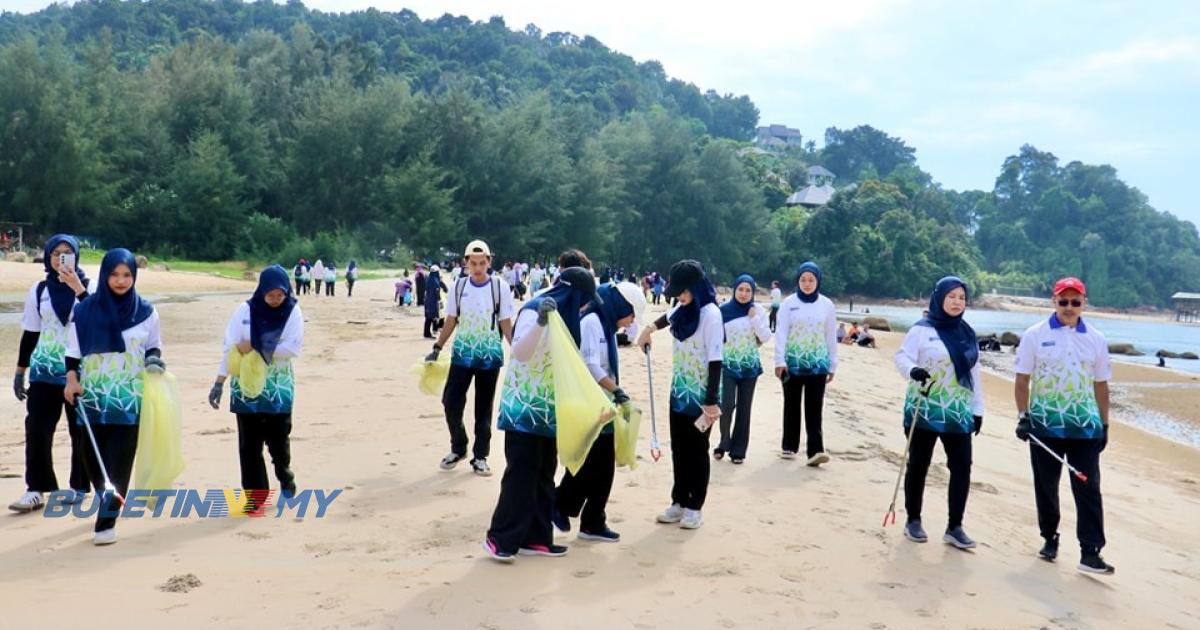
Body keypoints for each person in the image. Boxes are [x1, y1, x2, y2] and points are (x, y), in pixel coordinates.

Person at [483, 267, 602, 562]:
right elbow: (520, 353)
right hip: (524, 408)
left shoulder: (566, 320)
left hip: (548, 412)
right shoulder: (536, 309)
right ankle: (500, 538)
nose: (585, 308)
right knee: (520, 475)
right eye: (584, 301)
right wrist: (539, 322)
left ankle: (536, 538)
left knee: (544, 474)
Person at [1014, 277, 1114, 575]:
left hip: (1085, 427)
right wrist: (1023, 417)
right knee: (1046, 485)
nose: (1069, 307)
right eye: (1063, 301)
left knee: (1088, 487)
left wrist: (1105, 424)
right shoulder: (1035, 335)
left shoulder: (1096, 338)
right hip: (1045, 425)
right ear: (1053, 302)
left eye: (1075, 302)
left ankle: (1090, 551)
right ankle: (1050, 537)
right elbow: (1022, 379)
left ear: (1084, 303)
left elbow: (1101, 384)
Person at [63, 248, 163, 545]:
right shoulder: (83, 310)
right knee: (92, 459)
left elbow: (153, 347)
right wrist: (71, 380)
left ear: (135, 276)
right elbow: (72, 352)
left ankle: (106, 523)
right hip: (92, 396)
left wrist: (154, 361)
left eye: (127, 275)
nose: (121, 281)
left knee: (119, 461)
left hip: (129, 397)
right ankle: (104, 495)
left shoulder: (147, 312)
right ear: (105, 275)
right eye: (115, 275)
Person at [894, 276, 983, 549]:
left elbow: (974, 374)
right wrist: (913, 370)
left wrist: (977, 410)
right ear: (939, 298)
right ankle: (913, 519)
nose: (957, 302)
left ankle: (955, 526)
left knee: (961, 468)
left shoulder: (967, 334)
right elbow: (901, 357)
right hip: (924, 408)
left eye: (961, 298)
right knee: (918, 464)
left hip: (957, 411)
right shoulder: (921, 330)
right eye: (951, 296)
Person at [553, 281, 646, 542]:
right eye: (630, 316)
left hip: (604, 404)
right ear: (620, 306)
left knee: (601, 465)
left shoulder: (605, 324)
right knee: (595, 462)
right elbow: (590, 364)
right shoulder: (592, 322)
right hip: (591, 404)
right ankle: (563, 505)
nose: (629, 323)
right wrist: (617, 390)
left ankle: (589, 519)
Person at [637, 260, 724, 530]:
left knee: (697, 450)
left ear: (696, 287)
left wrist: (710, 401)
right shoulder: (681, 308)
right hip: (679, 392)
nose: (679, 296)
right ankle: (678, 501)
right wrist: (648, 329)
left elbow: (715, 361)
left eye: (683, 291)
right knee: (679, 448)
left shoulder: (710, 314)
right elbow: (668, 317)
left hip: (702, 396)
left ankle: (694, 506)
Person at [10, 235, 93, 513]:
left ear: (76, 256)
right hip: (44, 370)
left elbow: (98, 323)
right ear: (47, 257)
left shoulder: (90, 288)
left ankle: (79, 487)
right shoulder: (39, 290)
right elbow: (31, 332)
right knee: (37, 429)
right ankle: (36, 489)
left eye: (67, 253)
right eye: (56, 253)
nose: (61, 258)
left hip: (78, 372)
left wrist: (77, 288)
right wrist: (20, 371)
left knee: (78, 430)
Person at [208, 265, 304, 505]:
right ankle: (256, 496)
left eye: (279, 295)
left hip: (277, 388)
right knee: (249, 446)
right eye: (270, 295)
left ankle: (284, 473)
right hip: (245, 387)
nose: (275, 300)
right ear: (261, 291)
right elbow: (230, 349)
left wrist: (255, 344)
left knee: (278, 441)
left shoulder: (292, 312)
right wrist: (219, 383)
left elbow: (292, 348)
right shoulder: (244, 311)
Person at [425, 241, 514, 476]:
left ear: (489, 262)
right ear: (466, 262)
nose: (477, 267)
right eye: (473, 263)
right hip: (462, 354)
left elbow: (505, 322)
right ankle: (459, 446)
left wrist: (517, 350)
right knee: (450, 402)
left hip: (490, 356)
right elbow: (451, 319)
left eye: (482, 263)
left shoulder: (500, 287)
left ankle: (480, 456)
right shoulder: (457, 286)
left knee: (483, 410)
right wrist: (437, 346)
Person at [774, 261, 838, 466]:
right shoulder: (788, 303)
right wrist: (779, 360)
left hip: (818, 364)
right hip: (792, 363)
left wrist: (833, 364)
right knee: (791, 405)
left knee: (814, 407)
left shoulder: (827, 305)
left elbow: (830, 336)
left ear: (818, 281)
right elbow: (781, 334)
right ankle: (789, 446)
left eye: (811, 280)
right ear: (797, 281)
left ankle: (815, 450)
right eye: (803, 279)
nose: (807, 284)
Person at [713, 274, 771, 464]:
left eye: (748, 290)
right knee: (727, 405)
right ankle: (723, 442)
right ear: (734, 290)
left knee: (745, 408)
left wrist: (754, 319)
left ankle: (738, 451)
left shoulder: (758, 310)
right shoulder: (723, 311)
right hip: (728, 364)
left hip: (750, 366)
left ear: (753, 292)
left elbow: (765, 336)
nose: (744, 294)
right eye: (741, 289)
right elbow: (717, 339)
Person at [422, 266, 445, 339]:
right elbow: (437, 291)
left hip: (427, 300)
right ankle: (427, 333)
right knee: (431, 317)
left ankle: (427, 332)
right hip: (433, 301)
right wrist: (439, 300)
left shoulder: (428, 279)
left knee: (428, 317)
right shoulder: (435, 281)